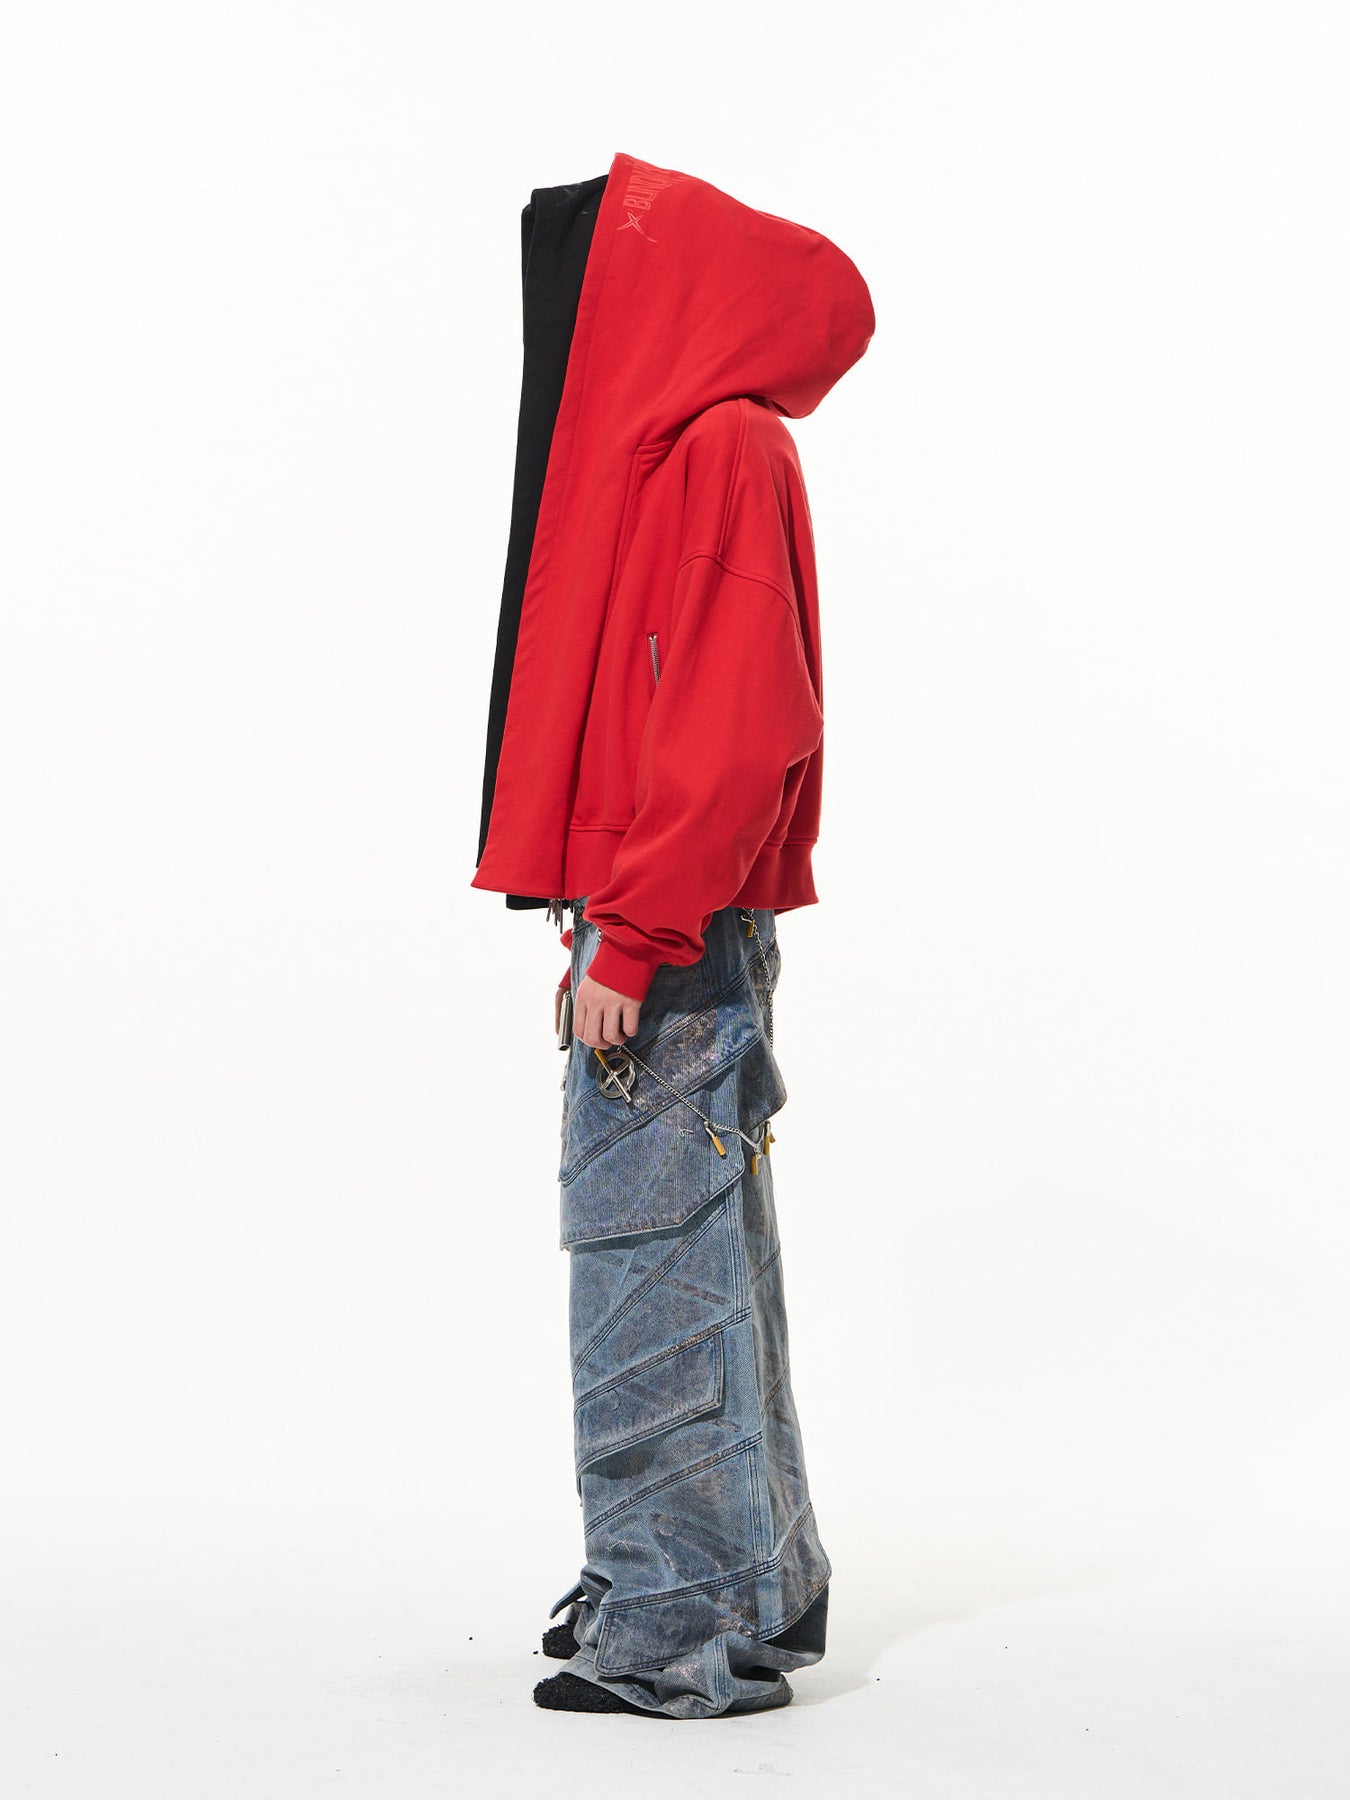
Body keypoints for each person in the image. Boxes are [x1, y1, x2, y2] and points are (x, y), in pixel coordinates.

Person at [471, 151, 875, 1720]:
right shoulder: (693, 446)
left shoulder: (715, 449)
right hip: (672, 905)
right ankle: (746, 1583)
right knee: (698, 1247)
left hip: (675, 917)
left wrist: (631, 934)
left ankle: (672, 1629)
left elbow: (731, 725)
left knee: (644, 1263)